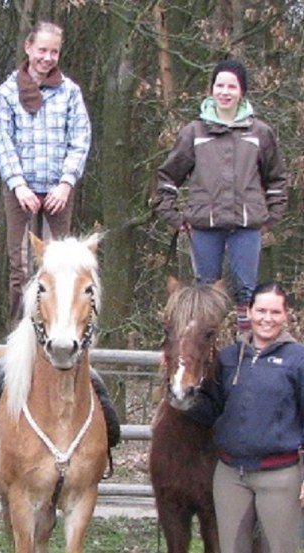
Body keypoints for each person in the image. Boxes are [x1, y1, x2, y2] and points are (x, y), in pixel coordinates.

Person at [153, 59, 287, 334]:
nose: (225, 92)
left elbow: (276, 178)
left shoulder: (260, 133)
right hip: (204, 225)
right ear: (212, 89)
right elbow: (167, 177)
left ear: (242, 91)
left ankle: (246, 351)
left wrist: (270, 216)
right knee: (205, 289)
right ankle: (205, 355)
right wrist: (174, 217)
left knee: (246, 289)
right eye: (220, 85)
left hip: (246, 226)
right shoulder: (194, 132)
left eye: (232, 86)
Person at [178, 282, 304, 553]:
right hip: (231, 475)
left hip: (279, 475)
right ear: (248, 312)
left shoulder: (298, 359)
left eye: (274, 312)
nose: (267, 319)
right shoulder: (228, 357)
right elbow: (212, 408)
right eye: (260, 310)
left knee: (282, 548)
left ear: (285, 315)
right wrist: (180, 396)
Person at [0, 21, 91, 324]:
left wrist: (65, 183)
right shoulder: (7, 93)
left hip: (57, 193)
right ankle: (20, 332)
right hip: (20, 190)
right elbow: (3, 141)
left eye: (54, 52)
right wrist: (19, 186)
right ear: (29, 48)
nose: (47, 57)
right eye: (42, 50)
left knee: (57, 268)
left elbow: (80, 139)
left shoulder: (70, 92)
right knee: (20, 267)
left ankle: (56, 331)